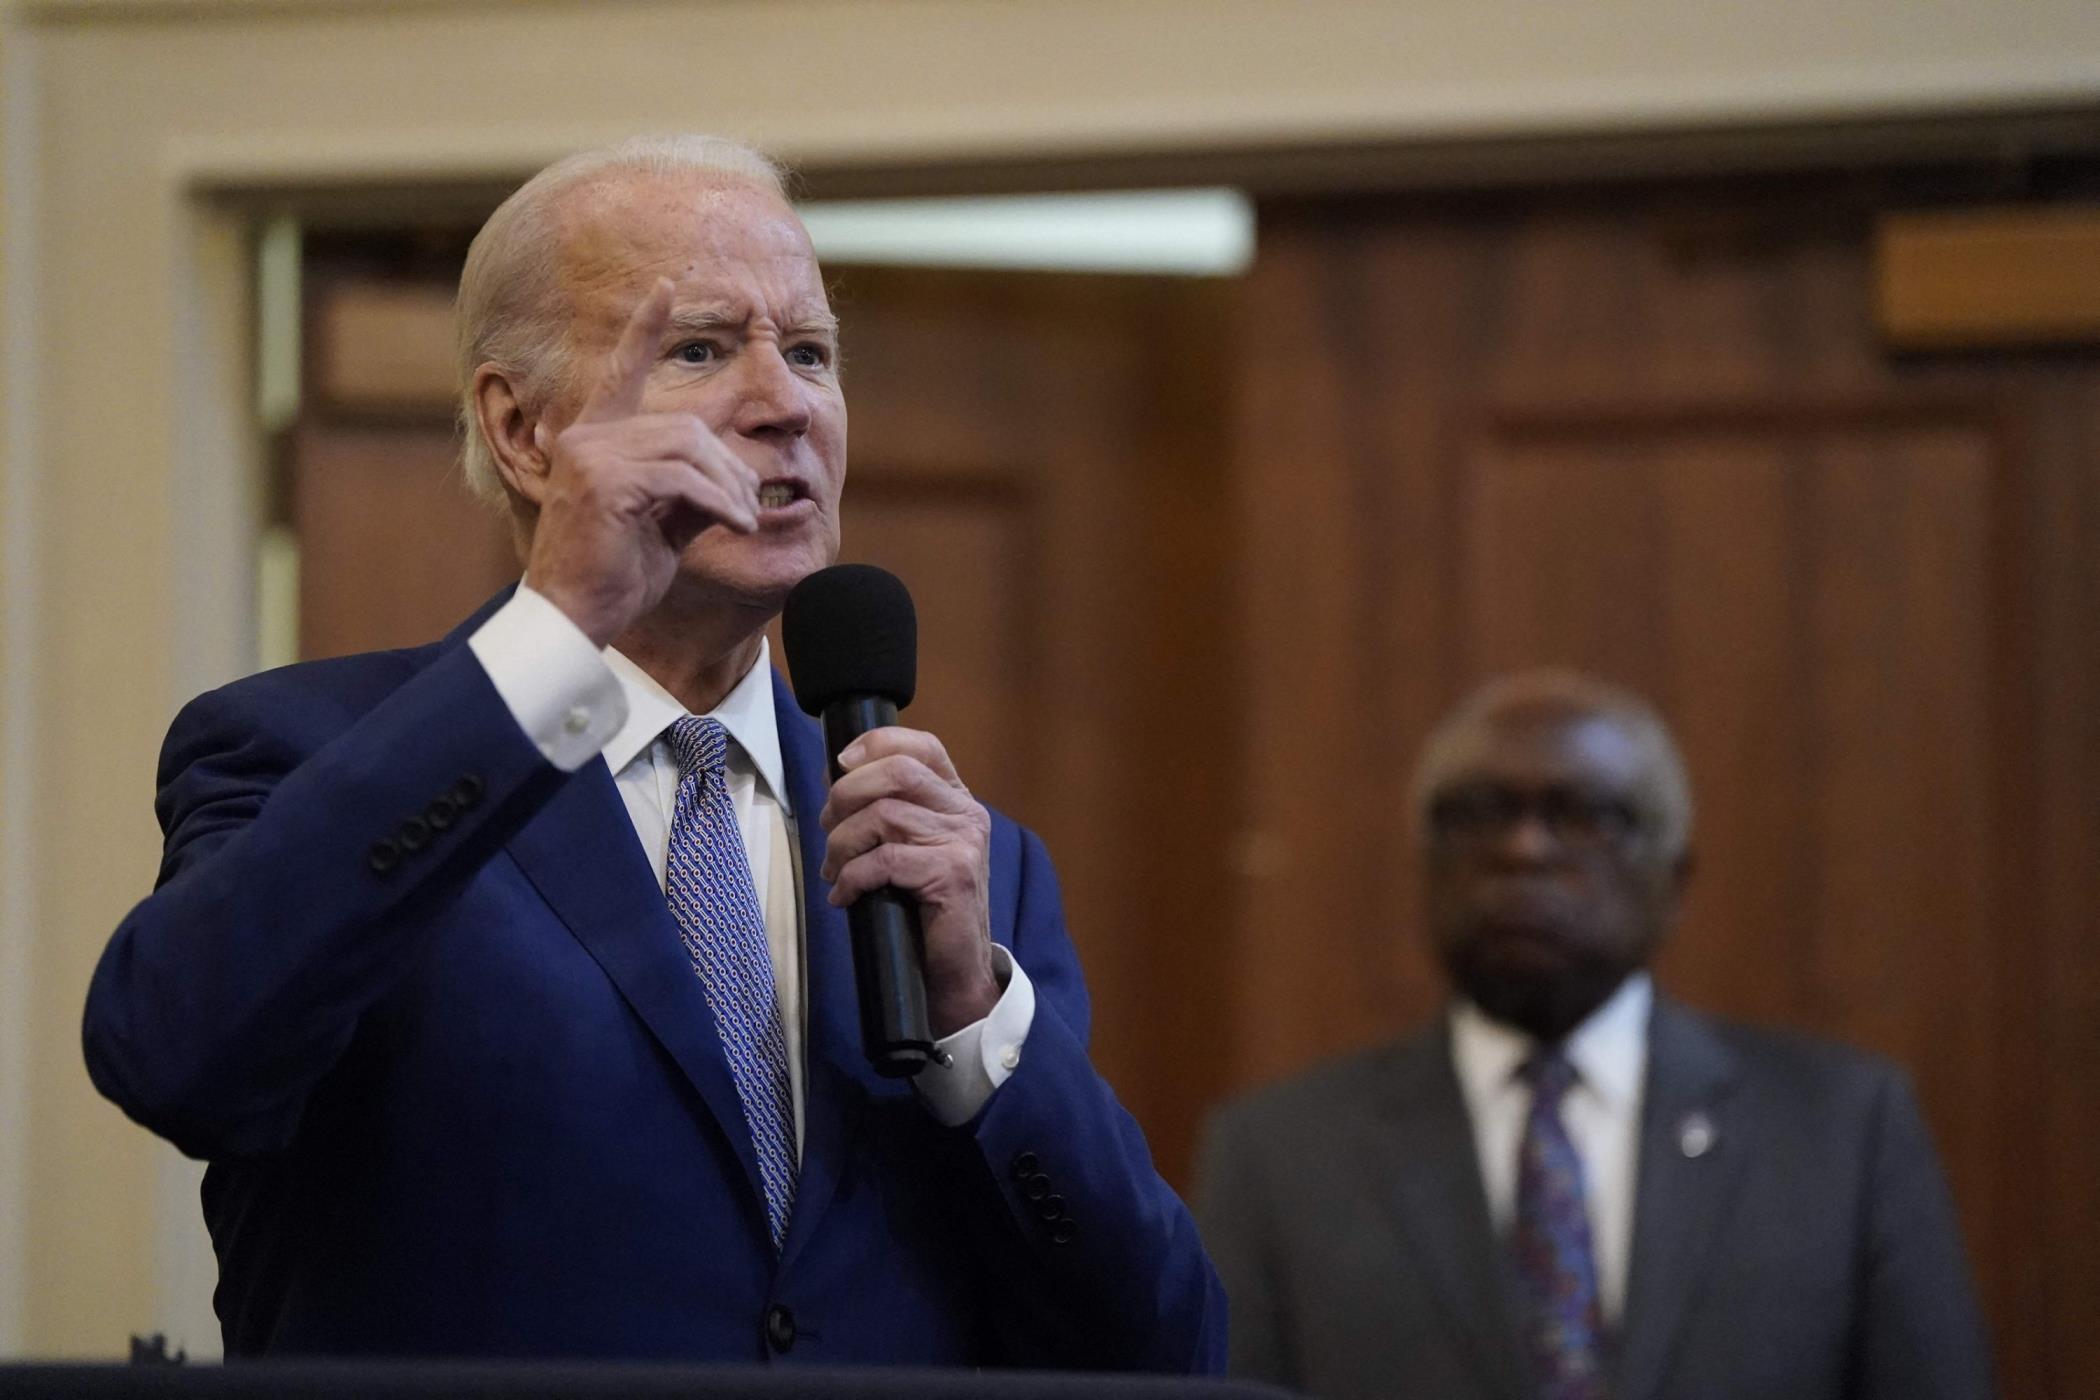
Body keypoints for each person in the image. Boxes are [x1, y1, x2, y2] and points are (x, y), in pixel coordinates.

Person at [83, 134, 1224, 1369]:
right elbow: (175, 1054)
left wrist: (975, 1033)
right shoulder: (301, 753)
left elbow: (1163, 1347)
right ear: (521, 432)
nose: (785, 401)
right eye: (699, 347)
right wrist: (557, 633)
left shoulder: (964, 872)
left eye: (810, 352)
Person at [1193, 670, 1991, 1400]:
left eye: (1587, 815)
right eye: (1477, 814)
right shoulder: (1277, 1156)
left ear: (1674, 881)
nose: (1523, 849)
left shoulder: (1842, 1129)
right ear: (1424, 866)